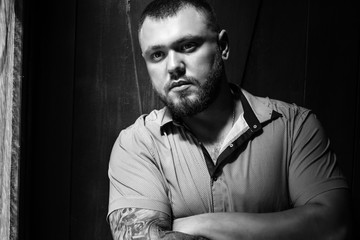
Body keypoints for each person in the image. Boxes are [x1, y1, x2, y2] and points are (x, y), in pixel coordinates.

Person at [107, 0, 350, 239]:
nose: (173, 66)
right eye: (157, 54)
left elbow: (334, 226)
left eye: (189, 46)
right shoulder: (137, 143)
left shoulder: (294, 126)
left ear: (222, 46)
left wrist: (198, 224)